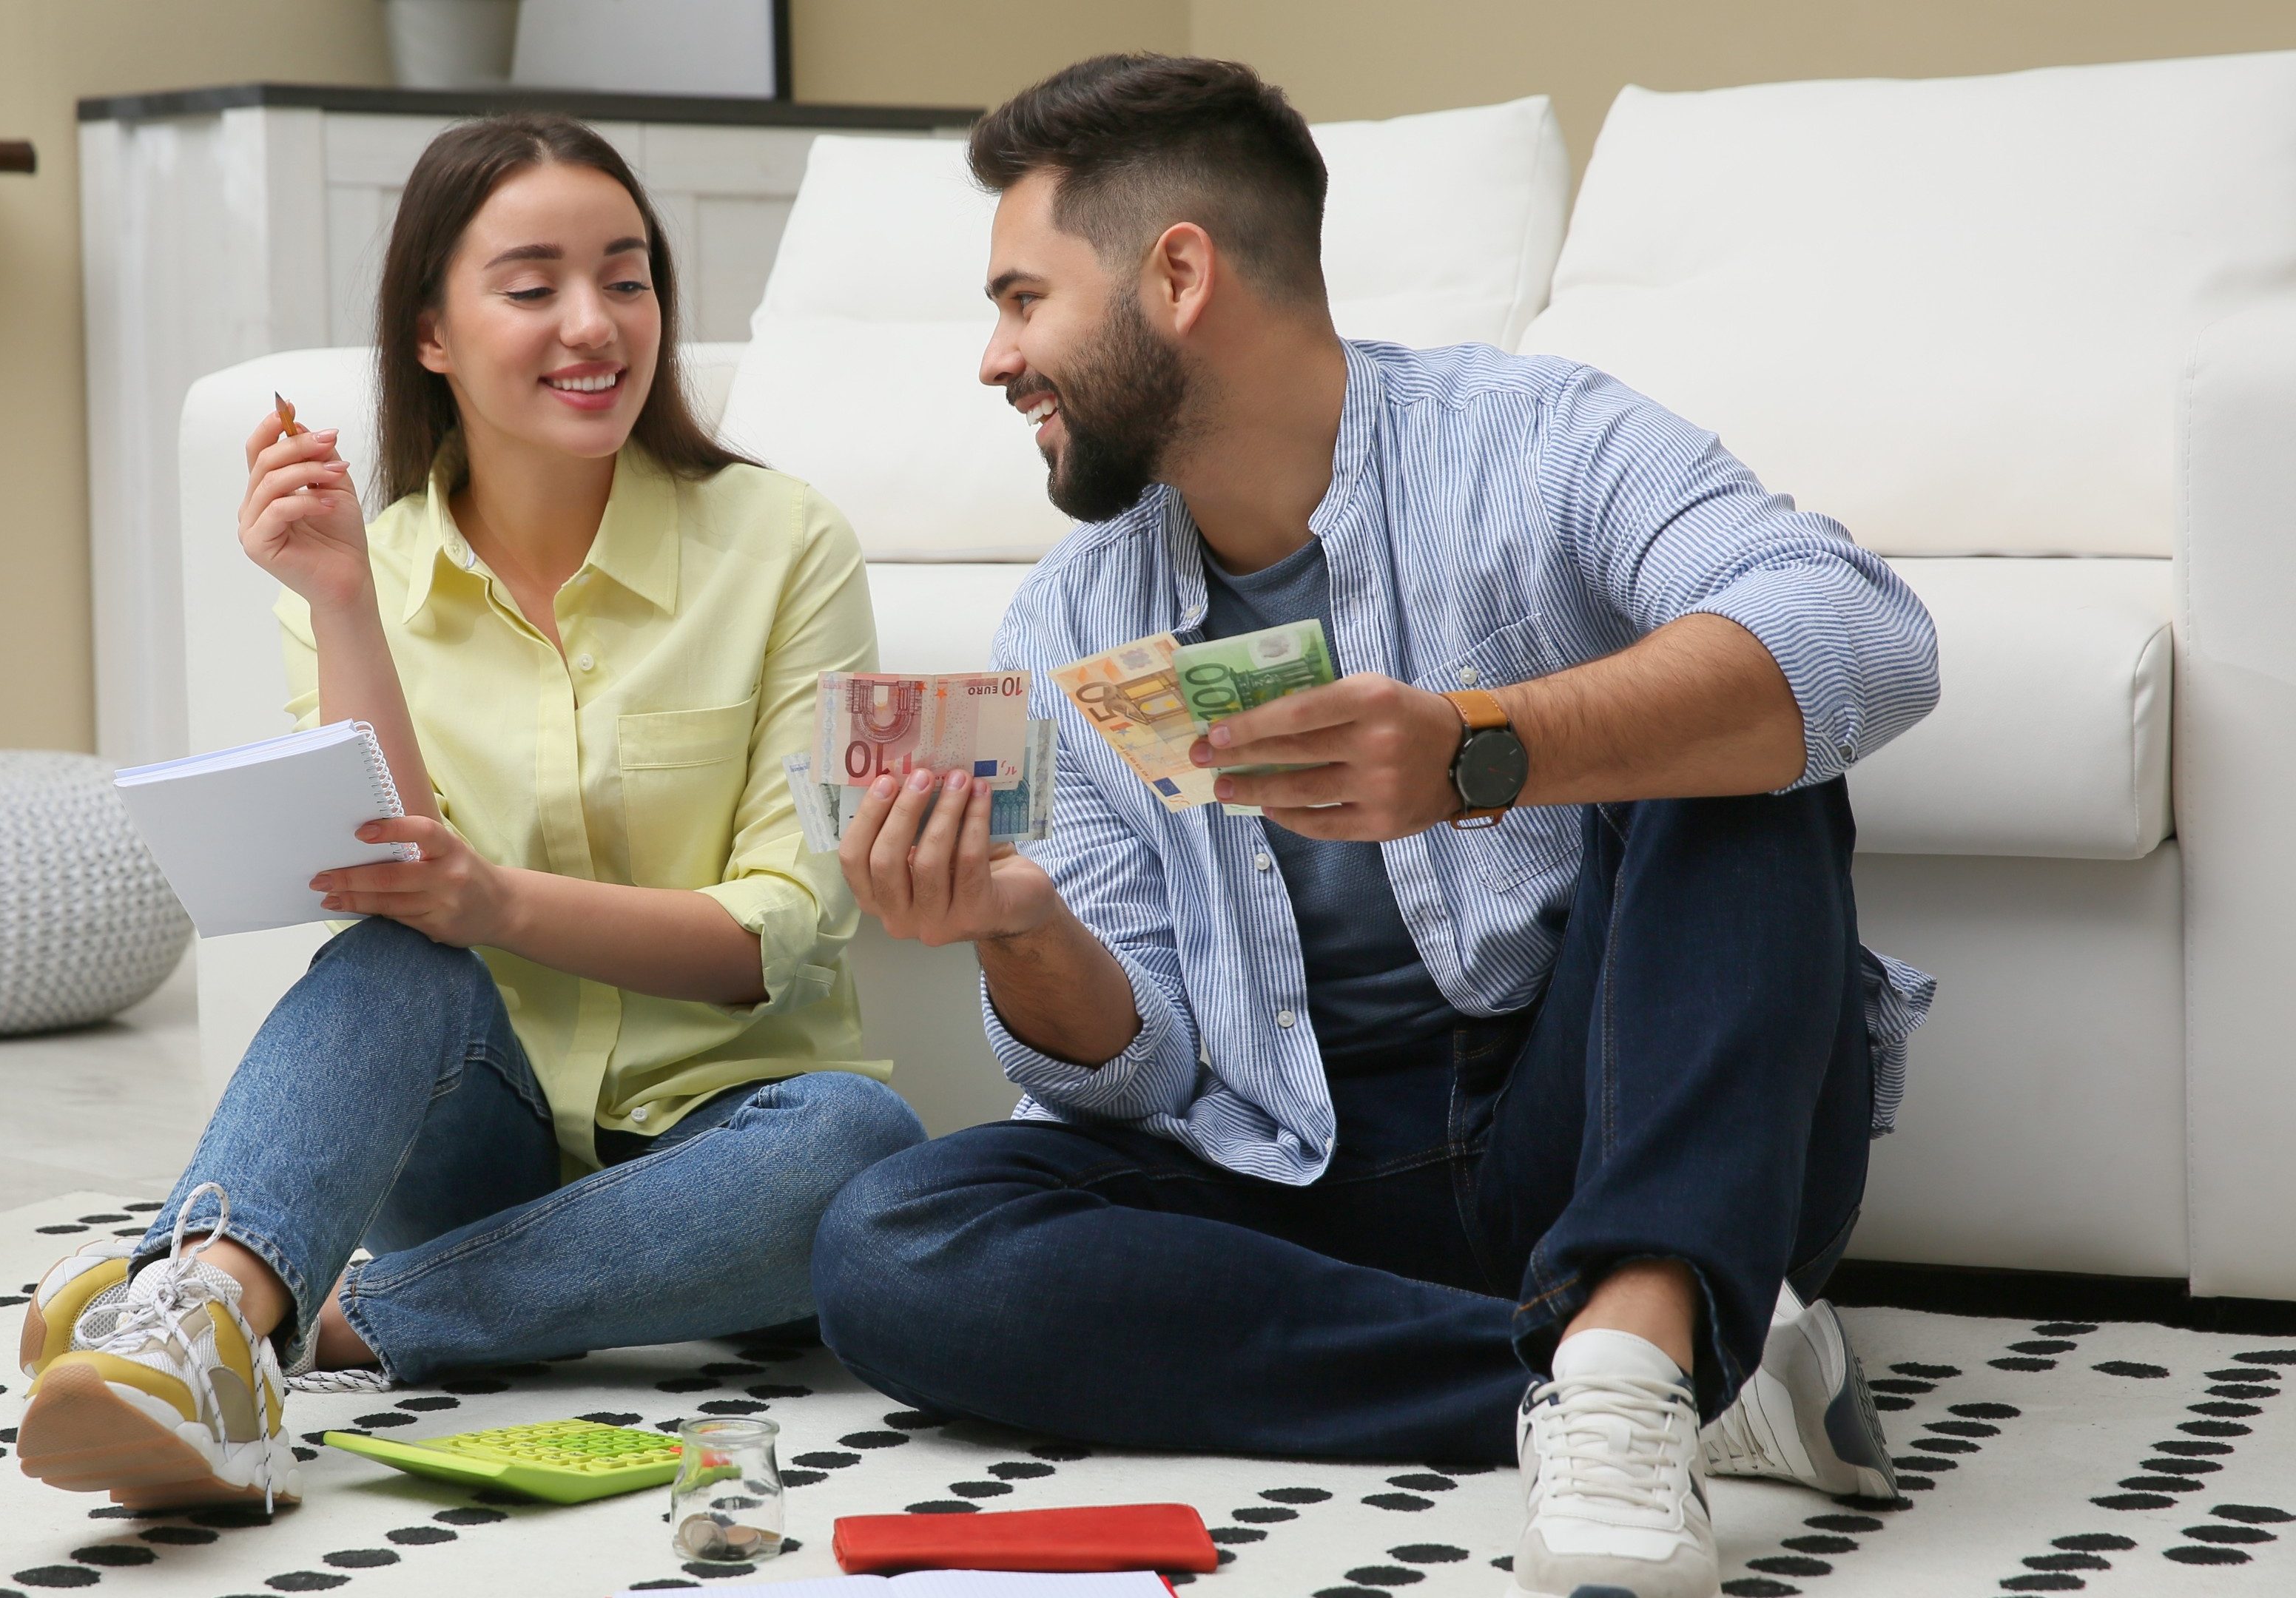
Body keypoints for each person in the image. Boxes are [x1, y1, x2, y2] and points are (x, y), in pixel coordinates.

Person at [809, 55, 1939, 1598]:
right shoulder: (1071, 616)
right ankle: (1640, 1378)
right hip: (1297, 1182)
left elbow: (1864, 635)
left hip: (1607, 1118)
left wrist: (1491, 749)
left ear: (1179, 273)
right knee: (894, 1240)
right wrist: (1018, 926)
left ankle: (1642, 1319)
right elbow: (1140, 1068)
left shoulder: (1533, 445)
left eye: (1023, 299)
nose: (996, 360)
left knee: (1747, 731)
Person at [9, 112, 924, 1512]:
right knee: (392, 953)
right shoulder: (364, 570)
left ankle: (263, 1317)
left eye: (627, 277)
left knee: (860, 1148)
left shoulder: (786, 543)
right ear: (430, 330)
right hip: (471, 1144)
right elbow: (391, 873)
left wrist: (498, 901)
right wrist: (337, 602)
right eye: (532, 284)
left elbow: (785, 934)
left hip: (720, 1153)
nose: (594, 323)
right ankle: (214, 1313)